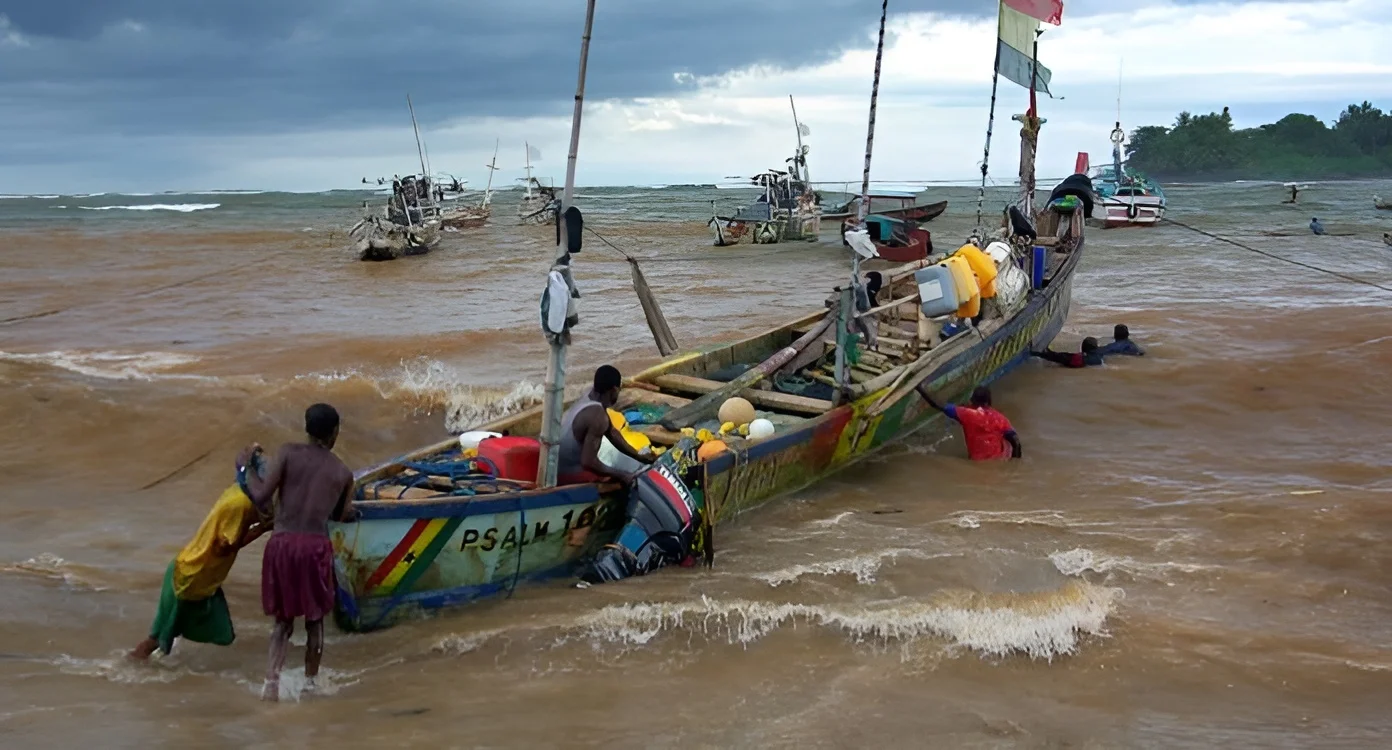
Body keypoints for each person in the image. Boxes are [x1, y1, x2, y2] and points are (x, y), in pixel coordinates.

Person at [238, 403, 357, 702]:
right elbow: (340, 516)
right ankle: (310, 685)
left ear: (307, 429)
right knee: (315, 621)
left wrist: (244, 468)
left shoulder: (288, 453)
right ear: (334, 434)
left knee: (282, 622)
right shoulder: (342, 473)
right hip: (314, 548)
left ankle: (271, 686)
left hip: (282, 544)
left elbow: (262, 496)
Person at [129, 479, 271, 661]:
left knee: (221, 632)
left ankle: (149, 670)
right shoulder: (241, 505)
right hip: (190, 579)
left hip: (199, 576)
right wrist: (261, 528)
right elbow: (222, 547)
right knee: (155, 639)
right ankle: (128, 668)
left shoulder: (237, 492)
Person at [557, 365, 657, 485]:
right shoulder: (597, 417)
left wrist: (638, 455)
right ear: (614, 390)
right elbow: (588, 462)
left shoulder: (590, 395)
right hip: (567, 473)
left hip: (557, 463)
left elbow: (612, 432)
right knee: (627, 477)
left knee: (627, 466)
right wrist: (621, 475)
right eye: (619, 390)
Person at [916, 384, 1021, 461]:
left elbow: (937, 404)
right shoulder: (1001, 419)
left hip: (978, 462)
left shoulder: (967, 415)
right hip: (999, 460)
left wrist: (920, 388)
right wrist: (1014, 464)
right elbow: (1015, 441)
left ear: (972, 400)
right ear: (989, 402)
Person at [1033, 337, 1105, 368]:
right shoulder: (1099, 358)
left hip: (1074, 361)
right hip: (1078, 361)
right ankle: (1047, 352)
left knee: (1054, 357)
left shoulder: (1080, 358)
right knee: (1057, 355)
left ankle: (1034, 353)